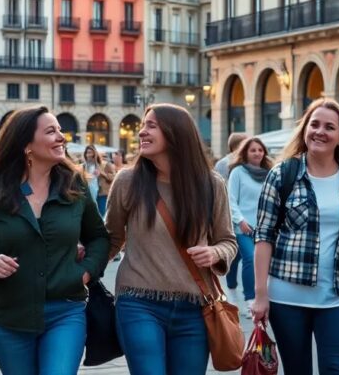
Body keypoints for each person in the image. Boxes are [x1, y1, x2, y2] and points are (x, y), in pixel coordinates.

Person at [0, 106, 110, 375]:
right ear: (26, 145)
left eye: (60, 130)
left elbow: (98, 238)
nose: (61, 137)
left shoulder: (74, 184)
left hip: (66, 311)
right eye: (51, 131)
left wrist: (86, 272)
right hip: (10, 316)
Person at [105, 104, 238, 375]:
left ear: (176, 133)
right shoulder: (127, 181)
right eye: (143, 125)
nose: (142, 131)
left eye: (151, 125)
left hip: (195, 308)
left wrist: (214, 253)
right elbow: (111, 237)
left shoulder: (211, 185)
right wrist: (81, 264)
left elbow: (228, 241)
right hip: (138, 301)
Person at [250, 99, 339, 375]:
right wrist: (260, 296)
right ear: (305, 129)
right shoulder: (282, 175)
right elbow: (264, 237)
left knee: (334, 369)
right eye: (314, 124)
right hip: (287, 298)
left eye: (329, 127)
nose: (320, 131)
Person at [227, 137, 273, 312]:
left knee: (236, 259)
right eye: (253, 150)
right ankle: (249, 299)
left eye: (260, 150)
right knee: (251, 258)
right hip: (242, 227)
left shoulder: (269, 173)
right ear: (245, 152)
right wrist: (240, 220)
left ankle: (234, 288)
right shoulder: (237, 172)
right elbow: (231, 199)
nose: (257, 153)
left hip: (262, 227)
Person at [214, 131, 248, 291]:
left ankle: (232, 283)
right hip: (230, 212)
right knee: (239, 251)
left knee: (239, 253)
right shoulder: (224, 163)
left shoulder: (247, 163)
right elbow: (219, 189)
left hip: (244, 212)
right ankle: (233, 284)